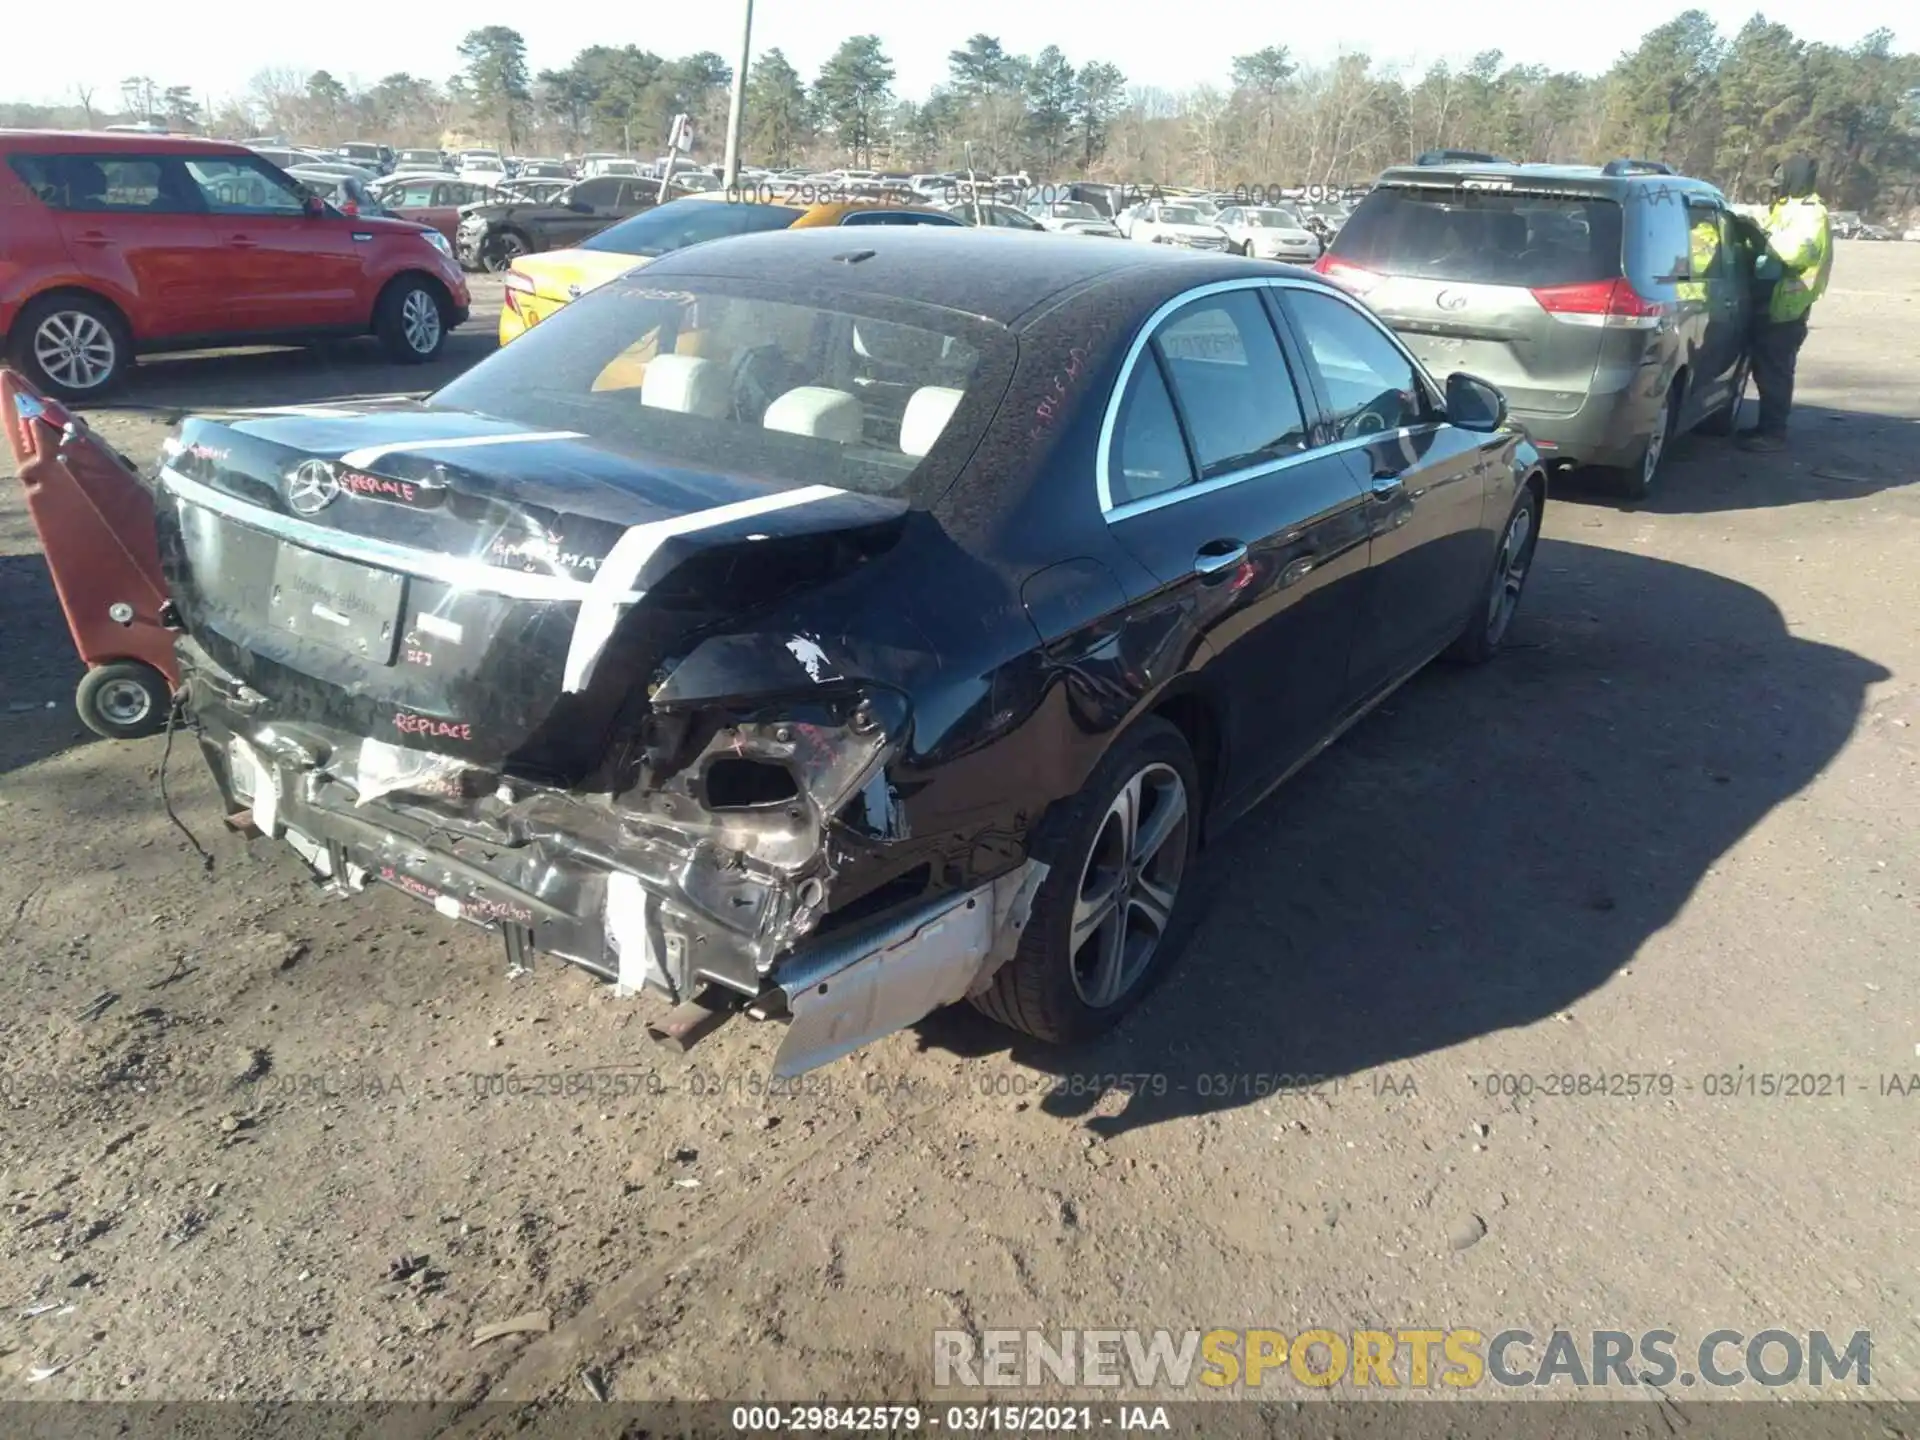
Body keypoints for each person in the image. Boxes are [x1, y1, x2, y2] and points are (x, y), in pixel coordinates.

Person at [1739, 154, 1833, 452]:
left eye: (1780, 182)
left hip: (1787, 305)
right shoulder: (1786, 208)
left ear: (1795, 180)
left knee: (1775, 370)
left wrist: (1760, 243)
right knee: (1765, 368)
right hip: (1772, 298)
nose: (1775, 189)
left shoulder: (1811, 213)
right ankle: (1765, 428)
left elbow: (1794, 253)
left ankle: (1772, 433)